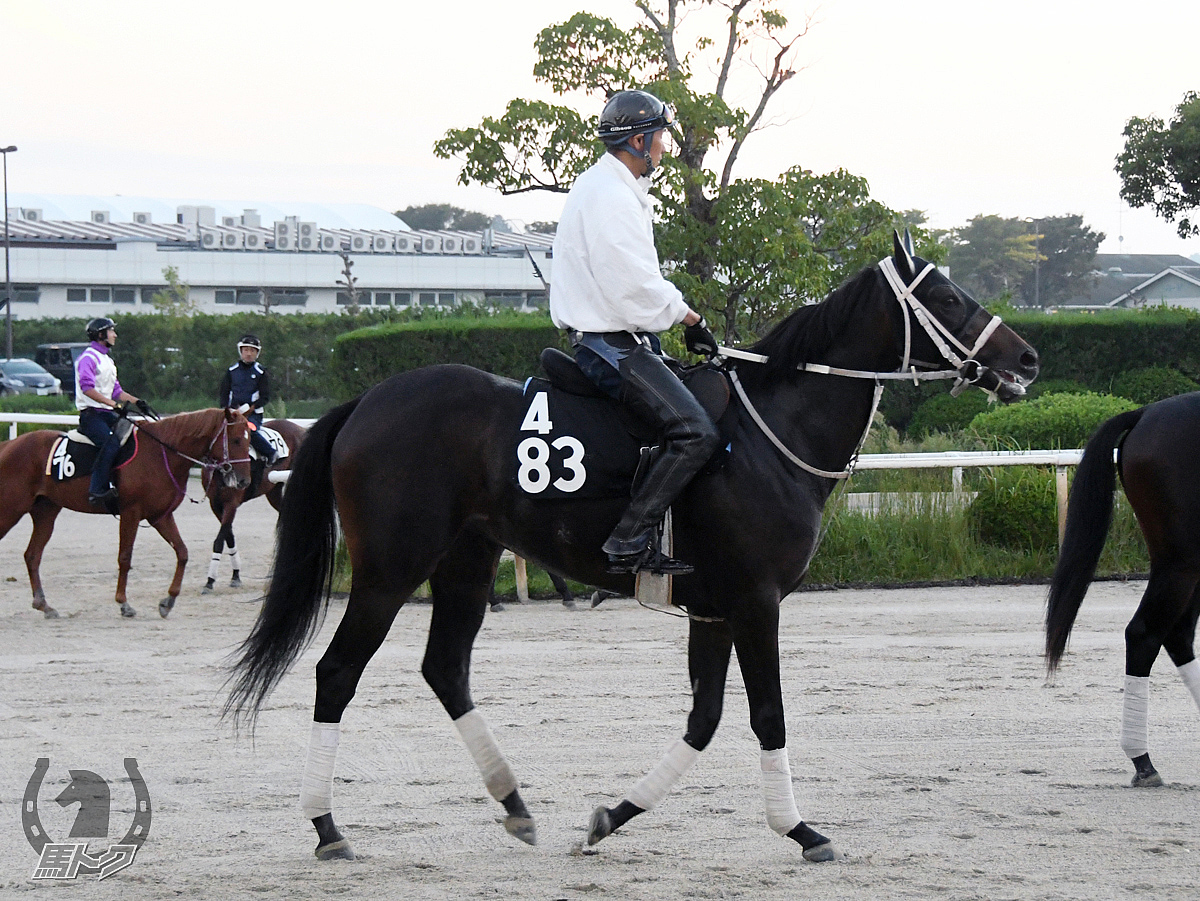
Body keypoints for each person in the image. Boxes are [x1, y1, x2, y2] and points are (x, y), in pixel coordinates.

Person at [550, 89, 720, 576]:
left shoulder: (612, 189)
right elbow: (634, 286)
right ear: (641, 140)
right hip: (608, 345)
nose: (665, 146)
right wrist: (692, 320)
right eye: (661, 137)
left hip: (621, 340)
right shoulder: (610, 196)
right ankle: (628, 541)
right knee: (694, 432)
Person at [75, 317, 145, 507]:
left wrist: (137, 401)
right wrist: (112, 404)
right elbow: (87, 388)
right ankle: (97, 490)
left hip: (107, 413)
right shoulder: (88, 358)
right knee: (110, 444)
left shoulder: (107, 360)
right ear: (100, 335)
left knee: (138, 436)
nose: (115, 335)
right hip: (92, 415)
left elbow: (117, 392)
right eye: (111, 331)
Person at [218, 334, 277, 465]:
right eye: (246, 350)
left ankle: (270, 452)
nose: (249, 354)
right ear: (241, 351)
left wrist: (252, 408)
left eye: (252, 350)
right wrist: (226, 409)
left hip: (253, 414)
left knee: (248, 429)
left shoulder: (261, 372)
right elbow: (224, 394)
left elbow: (265, 396)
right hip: (233, 412)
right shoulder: (231, 371)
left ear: (257, 353)